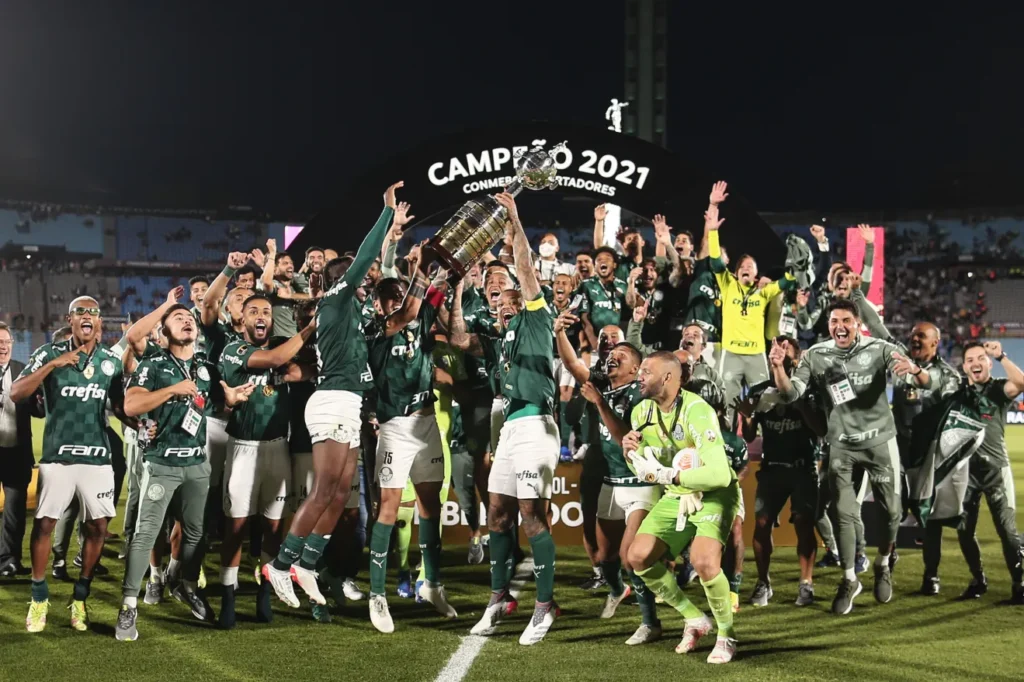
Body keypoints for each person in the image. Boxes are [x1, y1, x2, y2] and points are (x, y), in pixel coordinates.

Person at [263, 182, 402, 608]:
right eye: (361, 278)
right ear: (346, 279)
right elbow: (365, 258)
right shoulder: (338, 299)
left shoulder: (351, 311)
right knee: (325, 490)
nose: (367, 282)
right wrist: (387, 215)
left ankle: (306, 563)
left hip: (349, 403)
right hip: (332, 401)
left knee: (341, 494)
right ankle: (280, 565)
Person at [770, 299, 928, 615]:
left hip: (880, 443)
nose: (839, 326)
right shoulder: (816, 355)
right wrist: (777, 369)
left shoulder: (880, 349)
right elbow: (791, 394)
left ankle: (884, 562)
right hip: (841, 445)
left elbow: (915, 380)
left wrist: (914, 370)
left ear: (858, 323)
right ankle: (849, 578)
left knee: (893, 512)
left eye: (846, 320)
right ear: (828, 325)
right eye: (834, 321)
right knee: (842, 513)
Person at [451, 192, 560, 646]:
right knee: (497, 513)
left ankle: (544, 603)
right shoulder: (498, 341)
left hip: (537, 425)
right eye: (497, 299)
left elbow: (526, 269)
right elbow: (458, 338)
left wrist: (514, 219)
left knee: (531, 515)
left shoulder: (537, 318)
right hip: (511, 429)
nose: (501, 301)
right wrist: (458, 289)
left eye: (508, 293)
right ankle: (498, 598)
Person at [115, 304, 255, 640]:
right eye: (178, 319)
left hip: (197, 465)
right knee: (147, 535)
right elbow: (131, 405)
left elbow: (216, 404)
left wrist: (232, 398)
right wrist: (171, 391)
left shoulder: (205, 368)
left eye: (189, 318)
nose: (187, 321)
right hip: (162, 465)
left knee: (196, 534)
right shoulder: (154, 364)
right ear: (163, 331)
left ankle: (186, 586)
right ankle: (129, 605)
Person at [12, 297, 125, 633]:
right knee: (44, 524)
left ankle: (80, 598)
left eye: (93, 312)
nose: (87, 317)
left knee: (98, 529)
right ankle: (39, 597)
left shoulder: (110, 362)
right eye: (81, 312)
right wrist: (54, 365)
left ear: (100, 322)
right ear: (70, 319)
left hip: (97, 459)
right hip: (57, 459)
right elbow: (17, 393)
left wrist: (141, 425)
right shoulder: (48, 354)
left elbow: (120, 407)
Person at [621, 351, 741, 664]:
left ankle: (726, 636)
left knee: (703, 562)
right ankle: (694, 618)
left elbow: (719, 473)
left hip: (714, 493)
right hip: (677, 493)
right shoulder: (641, 412)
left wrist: (671, 474)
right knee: (638, 556)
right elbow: (646, 469)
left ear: (669, 378)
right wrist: (630, 455)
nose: (640, 375)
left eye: (647, 371)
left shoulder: (697, 411)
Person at [363, 256, 458, 633]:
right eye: (388, 297)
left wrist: (448, 270)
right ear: (378, 305)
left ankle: (432, 583)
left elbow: (438, 293)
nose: (395, 301)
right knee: (388, 507)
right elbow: (412, 308)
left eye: (399, 295)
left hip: (427, 422)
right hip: (395, 427)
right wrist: (421, 268)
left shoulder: (419, 322)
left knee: (430, 505)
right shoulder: (377, 329)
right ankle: (377, 594)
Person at [554, 313, 661, 646]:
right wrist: (559, 332)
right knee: (606, 558)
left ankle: (650, 621)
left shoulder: (641, 397)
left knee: (631, 557)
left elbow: (623, 437)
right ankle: (617, 591)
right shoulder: (600, 385)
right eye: (613, 353)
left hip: (640, 484)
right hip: (610, 483)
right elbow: (573, 365)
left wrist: (599, 403)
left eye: (623, 355)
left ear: (634, 369)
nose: (614, 355)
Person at [218, 293, 315, 629]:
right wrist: (310, 329)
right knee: (236, 528)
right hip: (243, 448)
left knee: (273, 527)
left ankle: (264, 591)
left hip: (278, 448)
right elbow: (276, 360)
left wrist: (304, 369)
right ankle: (228, 595)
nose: (261, 317)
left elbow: (301, 370)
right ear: (242, 319)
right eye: (254, 311)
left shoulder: (282, 346)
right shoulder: (234, 349)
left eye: (267, 312)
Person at [924, 341, 1023, 602]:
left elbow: (1021, 383)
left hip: (995, 472)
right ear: (964, 366)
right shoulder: (958, 392)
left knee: (1007, 532)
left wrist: (1001, 355)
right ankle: (978, 580)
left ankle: (1020, 585)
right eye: (970, 359)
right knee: (964, 531)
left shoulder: (999, 389)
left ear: (988, 363)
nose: (976, 363)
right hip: (966, 473)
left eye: (981, 358)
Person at [735, 336, 826, 607]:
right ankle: (764, 583)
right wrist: (747, 416)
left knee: (803, 523)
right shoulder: (760, 391)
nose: (779, 350)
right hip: (771, 469)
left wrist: (799, 405)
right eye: (775, 347)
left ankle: (806, 583)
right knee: (761, 525)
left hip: (802, 469)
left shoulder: (810, 390)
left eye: (785, 347)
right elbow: (750, 437)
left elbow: (821, 431)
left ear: (796, 358)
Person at [0, 321, 40, 577]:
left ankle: (9, 561)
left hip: (16, 452)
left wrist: (41, 400)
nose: (2, 347)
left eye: (6, 342)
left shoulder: (23, 371)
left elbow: (38, 411)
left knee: (14, 512)